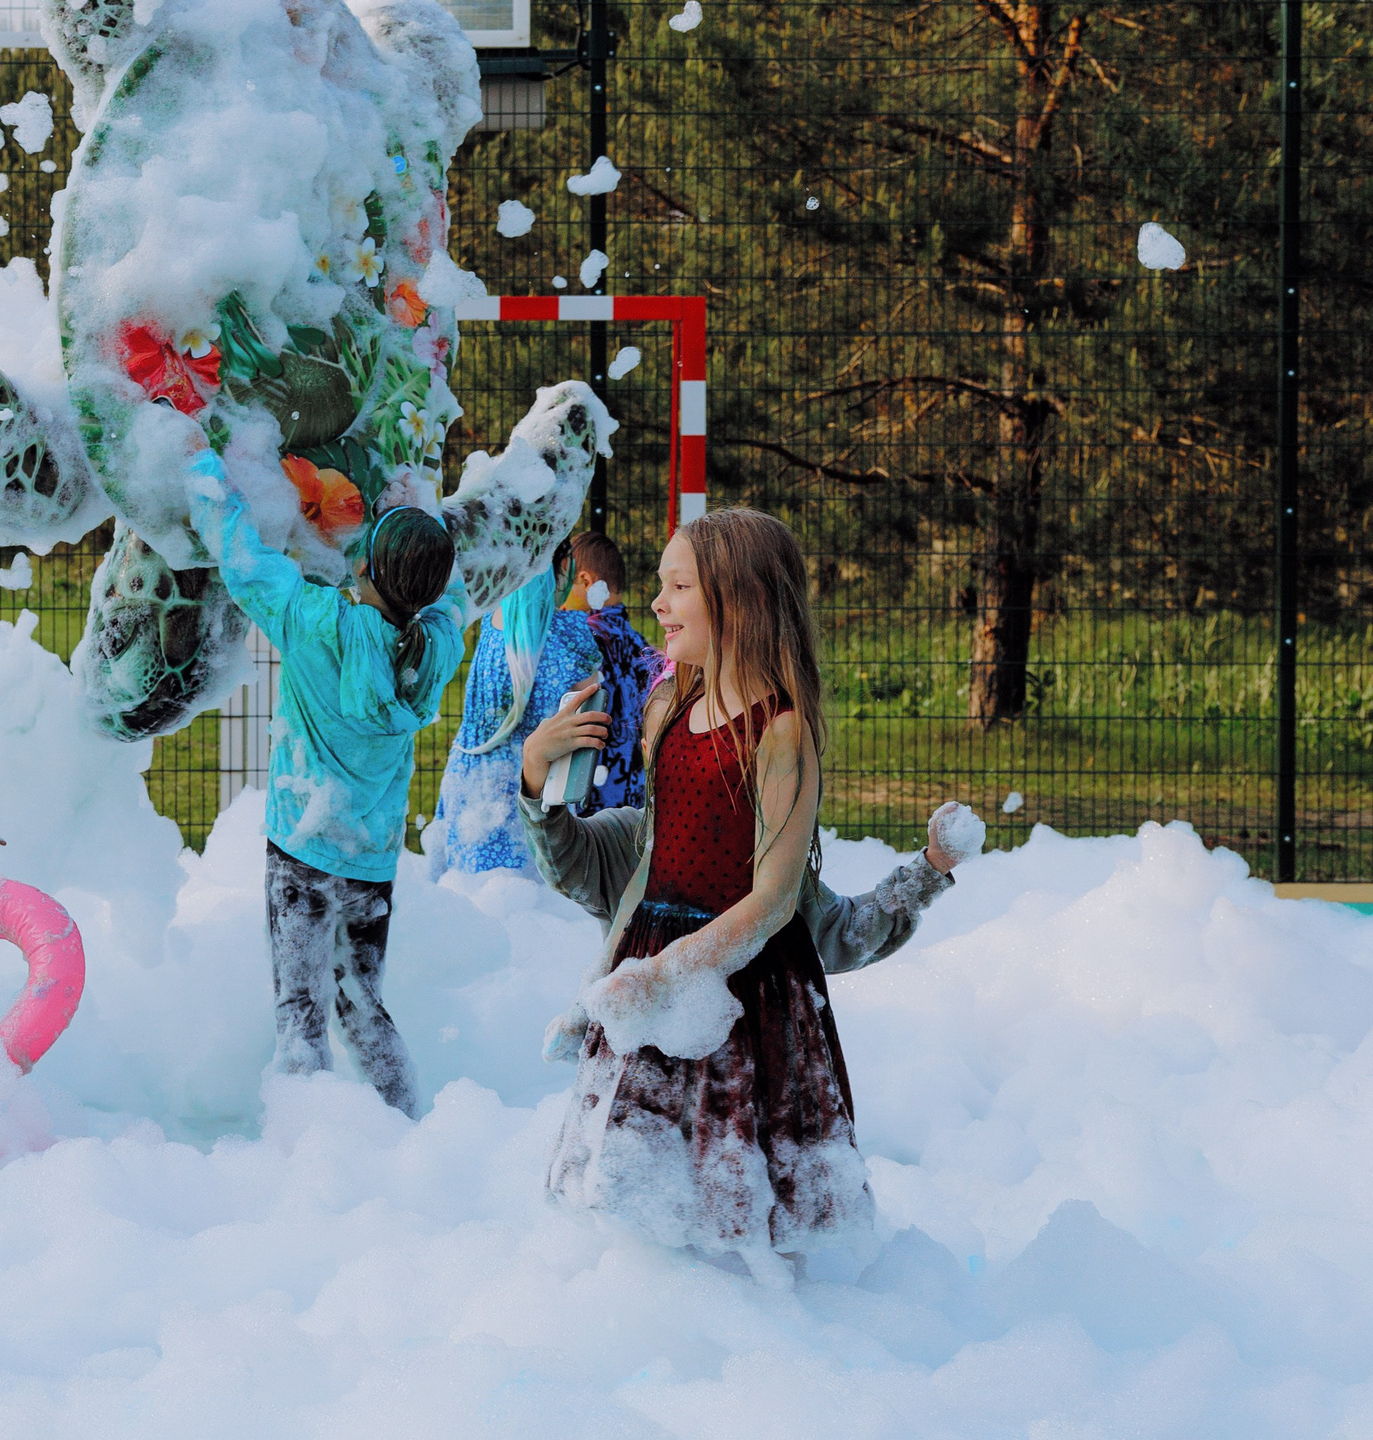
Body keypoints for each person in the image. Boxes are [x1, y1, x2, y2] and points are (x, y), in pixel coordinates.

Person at [519, 507, 946, 1274]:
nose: (655, 602)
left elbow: (780, 903)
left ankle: (754, 1346)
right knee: (633, 1207)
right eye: (660, 583)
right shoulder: (667, 710)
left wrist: (658, 978)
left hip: (741, 1002)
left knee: (735, 1209)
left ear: (738, 600)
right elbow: (628, 864)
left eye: (678, 584)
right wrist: (536, 776)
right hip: (654, 989)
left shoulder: (779, 733)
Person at [185, 449, 467, 1116]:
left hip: (302, 851)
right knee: (362, 1002)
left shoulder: (315, 624)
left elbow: (244, 561)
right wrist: (416, 514)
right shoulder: (440, 645)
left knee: (299, 1007)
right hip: (370, 858)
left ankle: (300, 1150)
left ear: (362, 562)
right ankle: (406, 1124)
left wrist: (200, 460)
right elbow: (448, 593)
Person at [434, 529, 666, 879]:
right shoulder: (572, 632)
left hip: (470, 789)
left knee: (466, 903)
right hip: (536, 792)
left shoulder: (492, 622)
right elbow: (594, 713)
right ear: (563, 568)